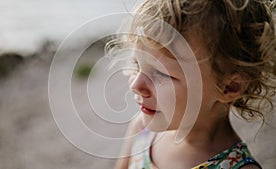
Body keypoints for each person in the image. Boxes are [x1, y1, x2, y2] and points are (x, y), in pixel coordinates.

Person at [106, 0, 276, 168]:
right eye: (137, 64)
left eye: (161, 73)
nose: (135, 85)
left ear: (229, 87)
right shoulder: (141, 130)